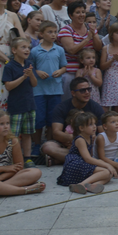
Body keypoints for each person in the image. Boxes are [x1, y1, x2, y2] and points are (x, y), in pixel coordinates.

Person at [0, 110, 45, 199]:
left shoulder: (13, 141)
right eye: (1, 124)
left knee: (35, 172)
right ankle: (24, 190)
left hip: (9, 176)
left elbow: (19, 166)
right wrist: (3, 168)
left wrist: (1, 177)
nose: (6, 127)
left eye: (7, 123)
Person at [41, 77, 104, 165]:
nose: (87, 93)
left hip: (90, 144)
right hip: (66, 144)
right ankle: (85, 158)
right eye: (82, 90)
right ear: (73, 93)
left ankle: (61, 160)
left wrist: (83, 141)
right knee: (47, 147)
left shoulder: (96, 107)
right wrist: (77, 139)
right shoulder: (61, 108)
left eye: (89, 89)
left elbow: (102, 132)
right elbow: (56, 133)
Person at [30, 21, 67, 155]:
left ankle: (50, 143)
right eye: (49, 32)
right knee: (39, 119)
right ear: (41, 34)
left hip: (55, 90)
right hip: (39, 90)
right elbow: (30, 67)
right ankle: (37, 144)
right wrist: (37, 72)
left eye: (55, 32)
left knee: (53, 118)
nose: (53, 35)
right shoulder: (34, 51)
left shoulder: (59, 49)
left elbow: (64, 66)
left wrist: (60, 71)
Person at [57, 111, 113, 194]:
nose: (94, 126)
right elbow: (87, 158)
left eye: (94, 124)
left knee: (109, 175)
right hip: (75, 164)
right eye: (90, 124)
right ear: (81, 128)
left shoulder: (90, 137)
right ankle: (82, 184)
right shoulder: (80, 139)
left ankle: (91, 185)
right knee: (106, 171)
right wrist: (106, 164)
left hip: (81, 164)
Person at [2, 37, 38, 167]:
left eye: (28, 47)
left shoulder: (29, 64)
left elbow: (34, 84)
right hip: (16, 105)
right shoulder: (10, 66)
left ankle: (27, 157)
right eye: (23, 47)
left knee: (27, 133)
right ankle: (14, 158)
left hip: (29, 104)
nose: (27, 50)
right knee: (14, 135)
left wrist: (31, 75)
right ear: (14, 50)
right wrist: (23, 77)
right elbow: (8, 86)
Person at [58, 1, 101, 100]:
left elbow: (98, 47)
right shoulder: (65, 30)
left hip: (90, 71)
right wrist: (87, 39)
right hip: (71, 72)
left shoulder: (90, 28)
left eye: (83, 12)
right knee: (70, 99)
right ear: (70, 15)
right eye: (78, 12)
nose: (81, 15)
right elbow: (71, 50)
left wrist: (94, 35)